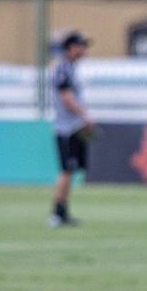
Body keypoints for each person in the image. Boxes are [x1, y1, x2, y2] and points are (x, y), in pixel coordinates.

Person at [49, 31, 94, 227]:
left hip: (72, 127)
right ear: (70, 47)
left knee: (70, 169)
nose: (83, 50)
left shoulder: (70, 68)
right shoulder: (63, 69)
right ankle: (58, 212)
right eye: (80, 46)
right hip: (66, 128)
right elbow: (66, 97)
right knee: (66, 170)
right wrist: (84, 115)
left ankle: (62, 211)